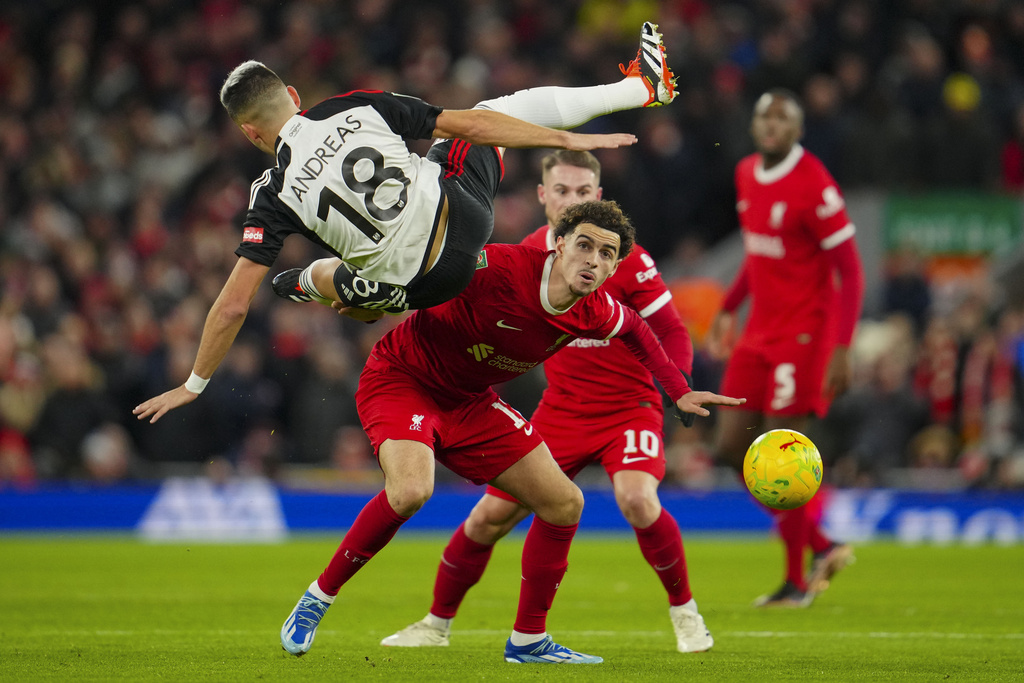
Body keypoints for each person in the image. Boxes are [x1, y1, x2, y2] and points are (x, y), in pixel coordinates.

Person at [140, 199, 743, 663]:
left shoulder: (597, 309)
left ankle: (528, 640)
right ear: (558, 245)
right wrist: (340, 291)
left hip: (470, 401)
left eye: (608, 255)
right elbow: (425, 273)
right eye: (584, 245)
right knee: (412, 491)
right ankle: (317, 599)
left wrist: (679, 390)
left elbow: (640, 330)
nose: (594, 261)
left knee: (564, 503)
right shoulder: (501, 266)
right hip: (403, 379)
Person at [134, 21, 676, 409]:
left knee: (339, 279)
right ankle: (642, 87)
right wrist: (557, 138)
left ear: (249, 133)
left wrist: (194, 384)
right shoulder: (354, 105)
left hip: (417, 290)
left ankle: (310, 286)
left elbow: (230, 306)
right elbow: (470, 127)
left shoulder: (270, 194)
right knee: (490, 112)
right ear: (295, 97)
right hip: (461, 225)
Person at [379, 151, 713, 654]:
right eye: (561, 191)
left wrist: (678, 385)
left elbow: (664, 328)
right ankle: (435, 623)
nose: (571, 200)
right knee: (488, 519)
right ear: (543, 195)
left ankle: (685, 613)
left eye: (582, 193)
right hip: (560, 410)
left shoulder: (623, 256)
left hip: (628, 407)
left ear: (597, 198)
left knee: (638, 499)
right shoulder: (525, 257)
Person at [705, 89, 864, 607]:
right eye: (763, 116)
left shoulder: (814, 183)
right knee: (730, 447)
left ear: (798, 130)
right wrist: (729, 307)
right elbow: (758, 252)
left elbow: (851, 270)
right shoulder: (746, 171)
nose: (771, 125)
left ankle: (795, 581)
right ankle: (822, 545)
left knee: (784, 449)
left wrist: (841, 347)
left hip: (805, 335)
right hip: (759, 332)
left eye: (783, 118)